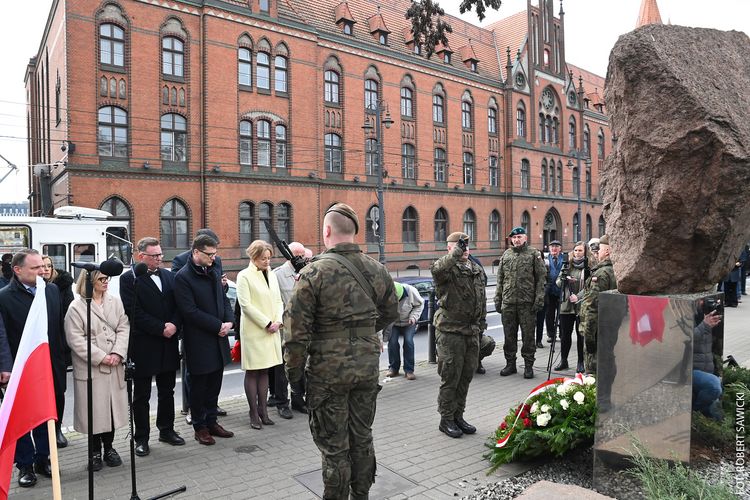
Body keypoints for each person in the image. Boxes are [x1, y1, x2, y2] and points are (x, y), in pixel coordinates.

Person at [284, 203, 398, 500]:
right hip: (366, 369)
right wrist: (363, 335)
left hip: (327, 373)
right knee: (362, 437)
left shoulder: (313, 272)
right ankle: (361, 495)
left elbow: (295, 334)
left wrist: (294, 377)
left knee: (335, 448)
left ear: (327, 231)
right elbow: (390, 312)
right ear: (355, 231)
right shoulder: (377, 269)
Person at [0, 249, 67, 488]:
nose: (43, 271)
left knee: (45, 414)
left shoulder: (51, 290)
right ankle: (25, 465)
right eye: (36, 267)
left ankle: (43, 459)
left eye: (43, 266)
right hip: (21, 369)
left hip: (50, 365)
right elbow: (1, 335)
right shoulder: (4, 297)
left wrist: (63, 359)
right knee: (21, 417)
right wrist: (5, 367)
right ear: (17, 270)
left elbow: (58, 327)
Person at [119, 237, 184, 457]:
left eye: (160, 254)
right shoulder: (129, 279)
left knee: (167, 391)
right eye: (154, 255)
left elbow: (179, 305)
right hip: (144, 344)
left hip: (168, 342)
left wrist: (174, 324)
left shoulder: (169, 276)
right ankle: (141, 438)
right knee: (142, 395)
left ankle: (166, 430)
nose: (159, 258)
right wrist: (160, 328)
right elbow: (133, 311)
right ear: (141, 256)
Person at [65, 269, 130, 471]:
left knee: (110, 410)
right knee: (94, 411)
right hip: (91, 368)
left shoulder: (114, 301)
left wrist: (118, 352)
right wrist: (101, 357)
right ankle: (94, 452)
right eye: (101, 278)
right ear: (90, 281)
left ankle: (109, 448)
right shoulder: (76, 307)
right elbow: (75, 339)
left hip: (114, 365)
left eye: (106, 278)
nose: (106, 282)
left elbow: (124, 327)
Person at [174, 234, 234, 445]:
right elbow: (189, 311)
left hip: (218, 337)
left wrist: (229, 321)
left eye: (215, 254)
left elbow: (223, 298)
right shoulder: (183, 277)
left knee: (215, 384)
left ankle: (212, 421)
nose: (213, 257)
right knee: (199, 386)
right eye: (209, 254)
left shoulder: (214, 268)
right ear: (196, 252)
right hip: (199, 340)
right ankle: (200, 427)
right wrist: (217, 326)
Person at [431, 232, 487, 438]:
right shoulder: (446, 268)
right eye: (459, 245)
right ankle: (446, 419)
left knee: (465, 377)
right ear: (449, 248)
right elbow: (437, 270)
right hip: (450, 331)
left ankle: (458, 416)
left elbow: (480, 299)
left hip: (471, 331)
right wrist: (454, 254)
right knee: (450, 377)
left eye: (466, 245)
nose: (464, 249)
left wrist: (481, 325)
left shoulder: (476, 269)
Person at [237, 240, 284, 429]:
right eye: (263, 258)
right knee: (253, 370)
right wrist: (267, 323)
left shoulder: (272, 274)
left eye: (269, 258)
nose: (267, 261)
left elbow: (279, 300)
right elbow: (246, 305)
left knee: (265, 370)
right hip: (255, 331)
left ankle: (263, 410)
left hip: (272, 329)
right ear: (254, 257)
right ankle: (253, 413)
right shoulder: (244, 276)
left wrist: (278, 321)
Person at [495, 227, 546, 379]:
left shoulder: (533, 254)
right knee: (509, 336)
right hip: (509, 302)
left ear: (525, 238)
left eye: (519, 237)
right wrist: (498, 298)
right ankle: (510, 364)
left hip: (527, 303)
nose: (516, 240)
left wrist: (539, 299)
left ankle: (528, 366)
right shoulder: (506, 254)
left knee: (528, 336)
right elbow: (500, 279)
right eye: (514, 237)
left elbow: (541, 278)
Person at [40, 254, 74, 447]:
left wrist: (64, 347)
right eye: (42, 266)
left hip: (57, 348)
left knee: (58, 391)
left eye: (48, 266)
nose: (45, 269)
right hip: (39, 349)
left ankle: (57, 427)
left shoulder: (60, 287)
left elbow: (67, 317)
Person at [272, 241, 308, 415]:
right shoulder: (277, 275)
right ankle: (281, 403)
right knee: (282, 369)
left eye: (303, 255)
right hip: (285, 330)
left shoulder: (306, 272)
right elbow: (274, 302)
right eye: (298, 255)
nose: (301, 258)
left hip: (302, 329)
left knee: (300, 367)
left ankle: (298, 400)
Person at [579, 234, 617, 374]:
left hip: (597, 331)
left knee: (593, 372)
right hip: (611, 328)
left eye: (600, 249)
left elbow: (592, 308)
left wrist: (589, 338)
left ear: (607, 251)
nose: (597, 252)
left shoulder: (601, 274)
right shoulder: (617, 270)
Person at [555, 241, 587, 372]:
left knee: (580, 336)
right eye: (576, 250)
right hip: (566, 306)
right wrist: (564, 279)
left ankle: (580, 362)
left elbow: (590, 286)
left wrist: (578, 296)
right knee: (565, 335)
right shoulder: (567, 265)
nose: (577, 253)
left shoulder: (588, 266)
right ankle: (564, 361)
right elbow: (557, 283)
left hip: (581, 306)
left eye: (580, 250)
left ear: (585, 252)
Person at [383, 281, 424, 380]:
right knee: (392, 342)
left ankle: (409, 370)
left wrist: (413, 317)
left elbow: (420, 304)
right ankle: (393, 368)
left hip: (409, 322)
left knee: (408, 341)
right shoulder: (386, 295)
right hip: (394, 323)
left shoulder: (411, 291)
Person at [692, 305, 723, 420]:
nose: (702, 301)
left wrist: (720, 321)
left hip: (707, 371)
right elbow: (685, 340)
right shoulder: (683, 313)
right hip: (688, 370)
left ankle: (705, 417)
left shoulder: (706, 314)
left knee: (718, 416)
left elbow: (718, 345)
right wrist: (704, 325)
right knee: (713, 385)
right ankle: (695, 414)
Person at [467, 254, 495, 375]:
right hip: (461, 313)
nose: (464, 249)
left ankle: (477, 362)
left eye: (466, 246)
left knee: (480, 338)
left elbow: (485, 281)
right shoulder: (448, 264)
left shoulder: (475, 262)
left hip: (478, 310)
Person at [544, 241, 564, 344]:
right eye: (552, 246)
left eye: (556, 246)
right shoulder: (546, 259)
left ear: (560, 248)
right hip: (550, 291)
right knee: (549, 314)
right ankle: (551, 335)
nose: (554, 248)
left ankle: (562, 334)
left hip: (561, 291)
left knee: (562, 314)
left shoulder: (564, 258)